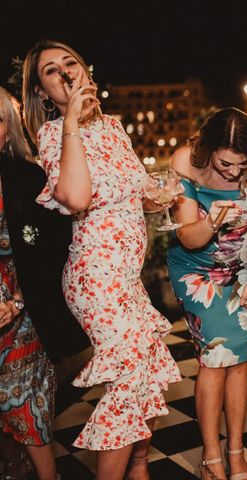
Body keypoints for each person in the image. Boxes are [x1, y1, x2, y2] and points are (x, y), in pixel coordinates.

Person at [22, 40, 181, 480]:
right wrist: (70, 119)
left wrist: (155, 196)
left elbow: (133, 194)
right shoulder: (54, 134)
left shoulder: (113, 127)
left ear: (86, 70)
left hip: (128, 277)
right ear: (42, 93)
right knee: (130, 377)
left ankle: (138, 467)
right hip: (96, 276)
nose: (65, 73)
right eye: (52, 71)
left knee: (146, 368)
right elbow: (75, 198)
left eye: (70, 63)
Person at [167, 107, 247, 480]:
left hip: (239, 268)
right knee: (215, 356)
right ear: (208, 149)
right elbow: (188, 236)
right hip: (196, 272)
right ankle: (212, 455)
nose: (233, 173)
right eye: (225, 164)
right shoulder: (185, 162)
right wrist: (214, 219)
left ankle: (236, 450)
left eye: (240, 165)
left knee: (239, 359)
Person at [0, 86, 58, 480]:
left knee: (20, 400)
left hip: (24, 308)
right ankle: (12, 463)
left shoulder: (27, 177)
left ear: (9, 128)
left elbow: (52, 249)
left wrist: (17, 302)